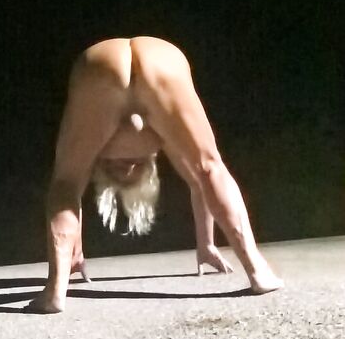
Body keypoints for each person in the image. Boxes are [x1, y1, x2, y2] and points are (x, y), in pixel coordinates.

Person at [30, 36, 283, 313]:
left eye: (120, 166)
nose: (128, 164)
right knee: (210, 166)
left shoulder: (122, 144)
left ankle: (56, 290)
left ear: (101, 165)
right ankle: (258, 270)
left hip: (101, 64)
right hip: (157, 60)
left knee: (66, 180)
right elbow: (202, 179)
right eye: (132, 166)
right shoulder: (162, 138)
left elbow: (69, 188)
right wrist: (205, 244)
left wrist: (207, 244)